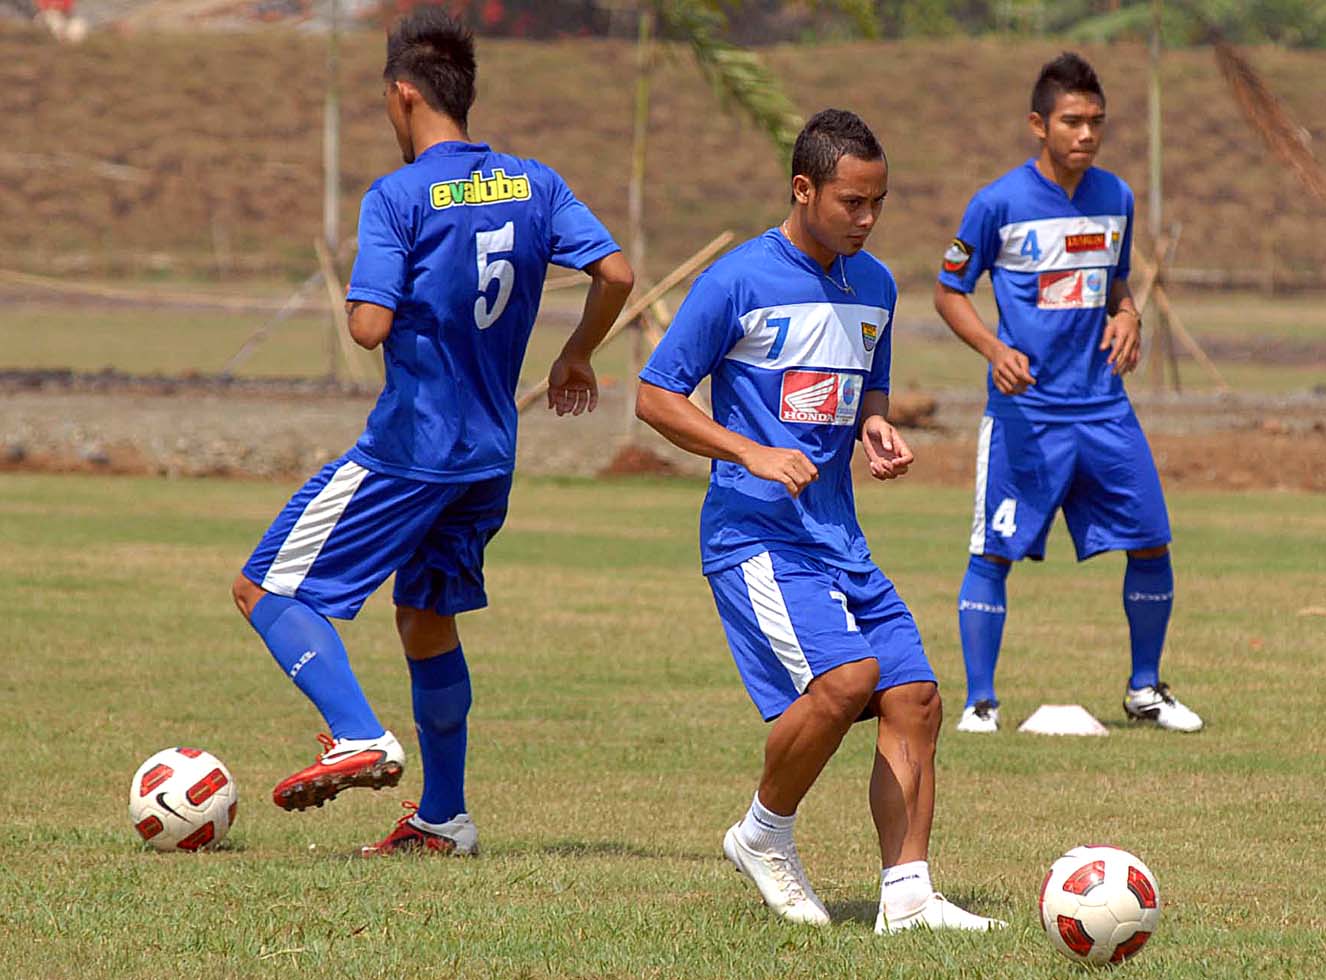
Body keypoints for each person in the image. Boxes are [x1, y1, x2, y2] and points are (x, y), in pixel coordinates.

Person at [229, 9, 633, 854]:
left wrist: (371, 287)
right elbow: (616, 271)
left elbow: (369, 326)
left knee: (266, 589)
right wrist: (576, 355)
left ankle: (356, 733)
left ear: (404, 95)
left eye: (385, 104)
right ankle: (444, 819)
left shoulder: (399, 195)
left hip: (412, 448)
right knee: (425, 618)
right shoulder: (534, 183)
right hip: (488, 456)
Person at [636, 109, 1005, 934]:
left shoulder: (872, 284)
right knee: (844, 684)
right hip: (754, 535)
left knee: (913, 696)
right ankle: (763, 835)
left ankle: (907, 899)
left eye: (877, 203)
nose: (866, 220)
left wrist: (874, 425)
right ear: (802, 189)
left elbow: (864, 384)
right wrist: (749, 451)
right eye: (850, 202)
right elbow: (654, 396)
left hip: (838, 535)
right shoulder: (736, 280)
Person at [934, 53, 1202, 735]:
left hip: (1104, 409)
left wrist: (1129, 314)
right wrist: (994, 351)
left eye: (1095, 122)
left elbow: (1112, 281)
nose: (1085, 134)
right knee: (992, 553)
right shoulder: (996, 203)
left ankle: (1144, 690)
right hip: (1027, 415)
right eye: (1071, 121)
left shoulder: (1116, 197)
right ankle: (980, 704)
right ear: (1037, 124)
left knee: (1151, 541)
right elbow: (948, 292)